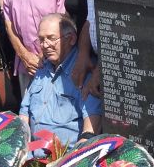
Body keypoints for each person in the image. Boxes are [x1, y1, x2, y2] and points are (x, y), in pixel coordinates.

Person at [20, 13, 102, 150]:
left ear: (71, 39)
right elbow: (24, 112)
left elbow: (91, 130)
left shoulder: (83, 72)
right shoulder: (41, 68)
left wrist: (75, 159)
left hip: (65, 159)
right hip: (30, 155)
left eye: (51, 39)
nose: (45, 45)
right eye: (41, 40)